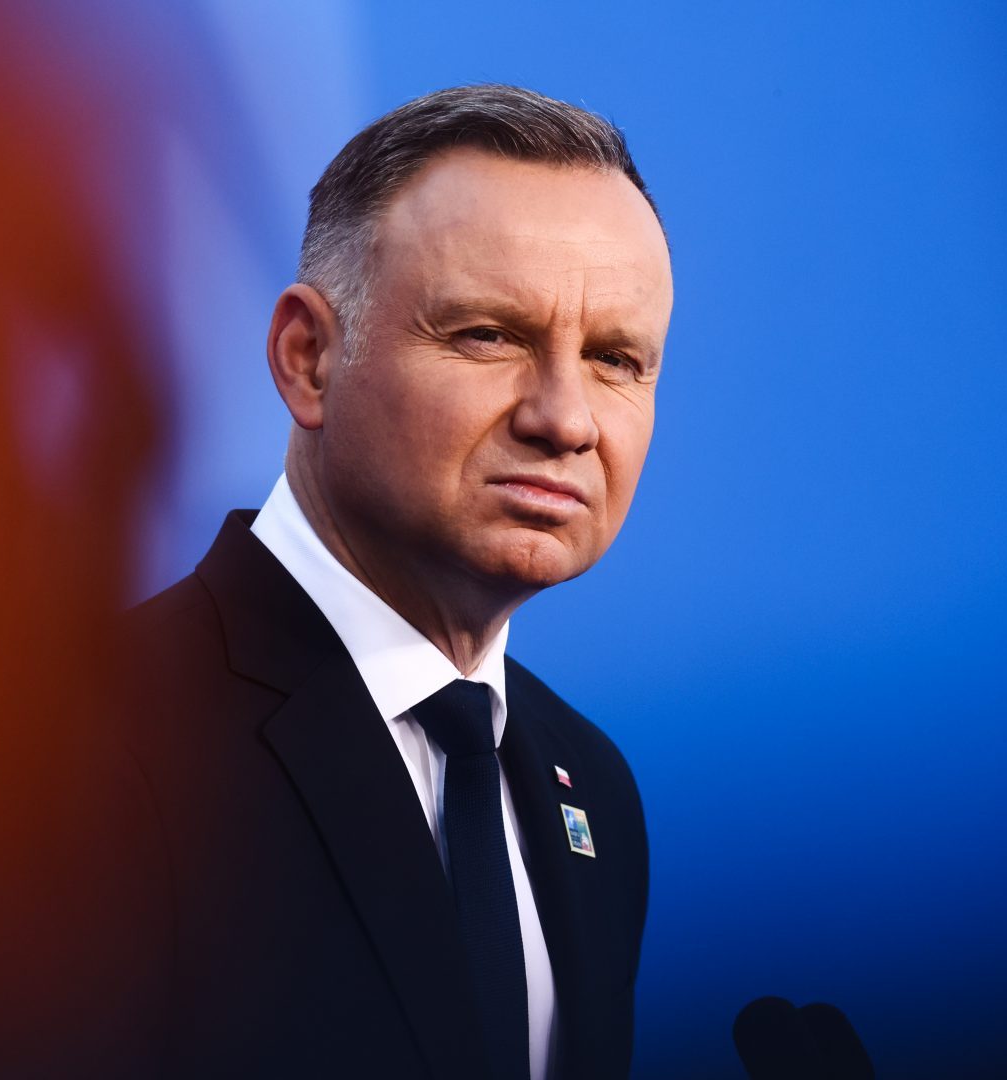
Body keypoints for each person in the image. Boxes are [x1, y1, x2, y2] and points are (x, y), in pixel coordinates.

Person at [112, 85, 674, 1079]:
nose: (567, 418)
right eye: (487, 336)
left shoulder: (593, 791)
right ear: (309, 359)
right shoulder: (79, 740)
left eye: (614, 358)